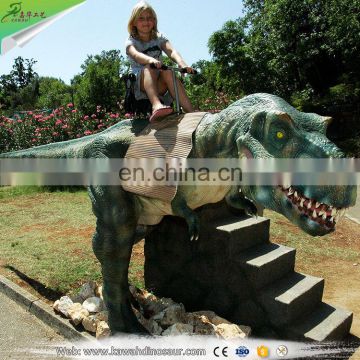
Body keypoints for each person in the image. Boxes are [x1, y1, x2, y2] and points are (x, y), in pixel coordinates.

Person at [125, 1, 194, 122]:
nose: (146, 22)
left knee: (168, 71)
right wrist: (151, 60)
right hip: (139, 85)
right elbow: (135, 55)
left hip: (157, 83)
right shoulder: (131, 41)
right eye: (141, 18)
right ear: (134, 22)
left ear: (154, 20)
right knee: (150, 67)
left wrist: (182, 63)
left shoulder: (159, 37)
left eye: (149, 18)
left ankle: (192, 112)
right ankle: (156, 105)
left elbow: (171, 51)